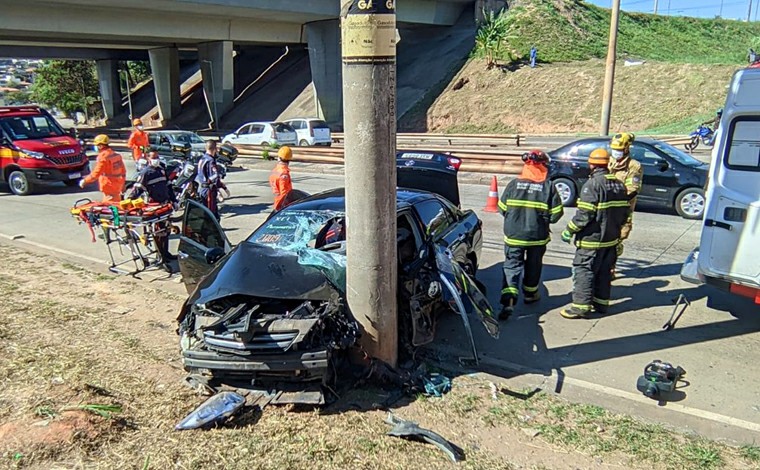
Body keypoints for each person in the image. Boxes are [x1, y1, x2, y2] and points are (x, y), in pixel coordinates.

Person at [559, 149, 630, 319]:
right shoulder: (619, 184)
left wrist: (569, 230)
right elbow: (625, 213)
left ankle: (580, 307)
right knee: (604, 272)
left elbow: (585, 215)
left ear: (591, 164)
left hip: (592, 240)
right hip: (610, 240)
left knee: (584, 270)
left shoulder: (592, 185)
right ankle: (601, 304)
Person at [497, 150, 564, 320]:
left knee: (512, 266)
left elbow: (501, 208)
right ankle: (530, 295)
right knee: (534, 265)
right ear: (543, 166)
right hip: (537, 236)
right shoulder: (548, 186)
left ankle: (509, 301)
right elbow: (556, 215)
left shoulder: (513, 184)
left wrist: (515, 219)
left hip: (514, 235)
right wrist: (542, 220)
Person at [126, 151, 178, 272]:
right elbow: (137, 189)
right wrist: (129, 201)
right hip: (155, 206)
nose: (156, 160)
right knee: (159, 232)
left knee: (166, 230)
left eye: (157, 157)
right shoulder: (146, 173)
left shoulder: (161, 170)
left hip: (166, 205)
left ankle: (166, 253)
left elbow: (169, 186)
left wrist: (174, 200)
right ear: (148, 159)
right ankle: (160, 256)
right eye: (154, 158)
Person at [608, 132, 642, 276]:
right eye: (614, 149)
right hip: (605, 207)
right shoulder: (608, 161)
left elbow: (632, 190)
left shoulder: (634, 166)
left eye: (619, 150)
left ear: (627, 149)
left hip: (622, 209)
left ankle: (611, 268)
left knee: (616, 239)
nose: (616, 152)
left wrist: (616, 201)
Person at [79, 134, 126, 203]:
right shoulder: (115, 155)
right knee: (115, 203)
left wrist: (85, 181)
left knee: (111, 207)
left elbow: (96, 173)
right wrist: (123, 184)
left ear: (100, 146)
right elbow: (123, 172)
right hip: (117, 185)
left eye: (96, 145)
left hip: (109, 186)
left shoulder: (103, 157)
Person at [195, 140, 229, 220]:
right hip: (209, 191)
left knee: (207, 212)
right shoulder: (211, 161)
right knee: (212, 216)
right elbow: (213, 178)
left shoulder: (202, 159)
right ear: (215, 149)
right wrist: (220, 190)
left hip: (202, 189)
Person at [269, 146, 293, 211]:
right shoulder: (284, 174)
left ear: (279, 158)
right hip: (282, 205)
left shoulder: (275, 170)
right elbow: (284, 193)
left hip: (277, 202)